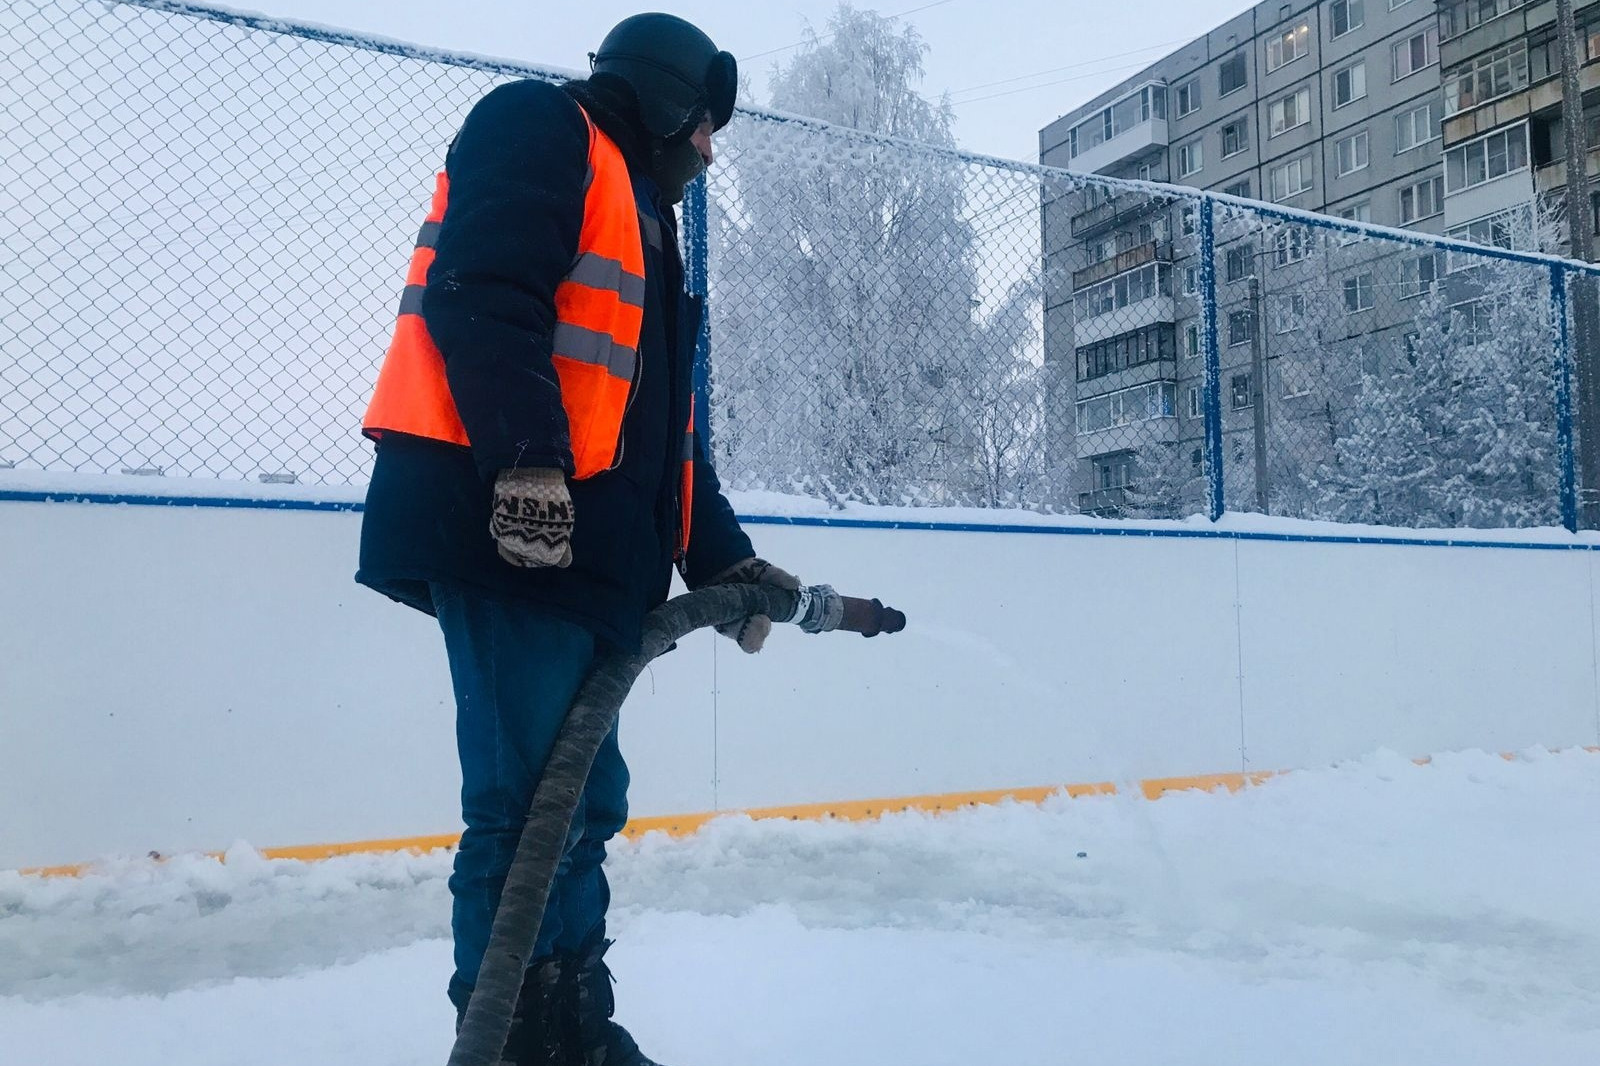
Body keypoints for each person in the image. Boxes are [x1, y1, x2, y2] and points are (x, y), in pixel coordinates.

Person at [356, 13, 802, 1065]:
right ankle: (511, 1035)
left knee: (585, 798)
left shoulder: (648, 220)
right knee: (522, 802)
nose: (707, 147)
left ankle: (568, 1023)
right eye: (702, 122)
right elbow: (483, 289)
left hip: (589, 553)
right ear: (657, 97)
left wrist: (719, 559)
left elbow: (663, 431)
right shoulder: (538, 126)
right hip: (504, 528)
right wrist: (523, 464)